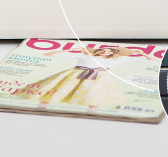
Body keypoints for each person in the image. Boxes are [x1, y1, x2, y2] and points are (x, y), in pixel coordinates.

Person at [11, 45, 153, 112]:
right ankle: (42, 105)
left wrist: (142, 53)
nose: (106, 51)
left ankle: (92, 111)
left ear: (113, 53)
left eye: (110, 51)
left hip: (100, 77)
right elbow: (48, 55)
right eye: (103, 50)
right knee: (59, 89)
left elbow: (151, 61)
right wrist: (68, 50)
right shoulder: (85, 56)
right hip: (75, 74)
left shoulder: (118, 60)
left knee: (93, 93)